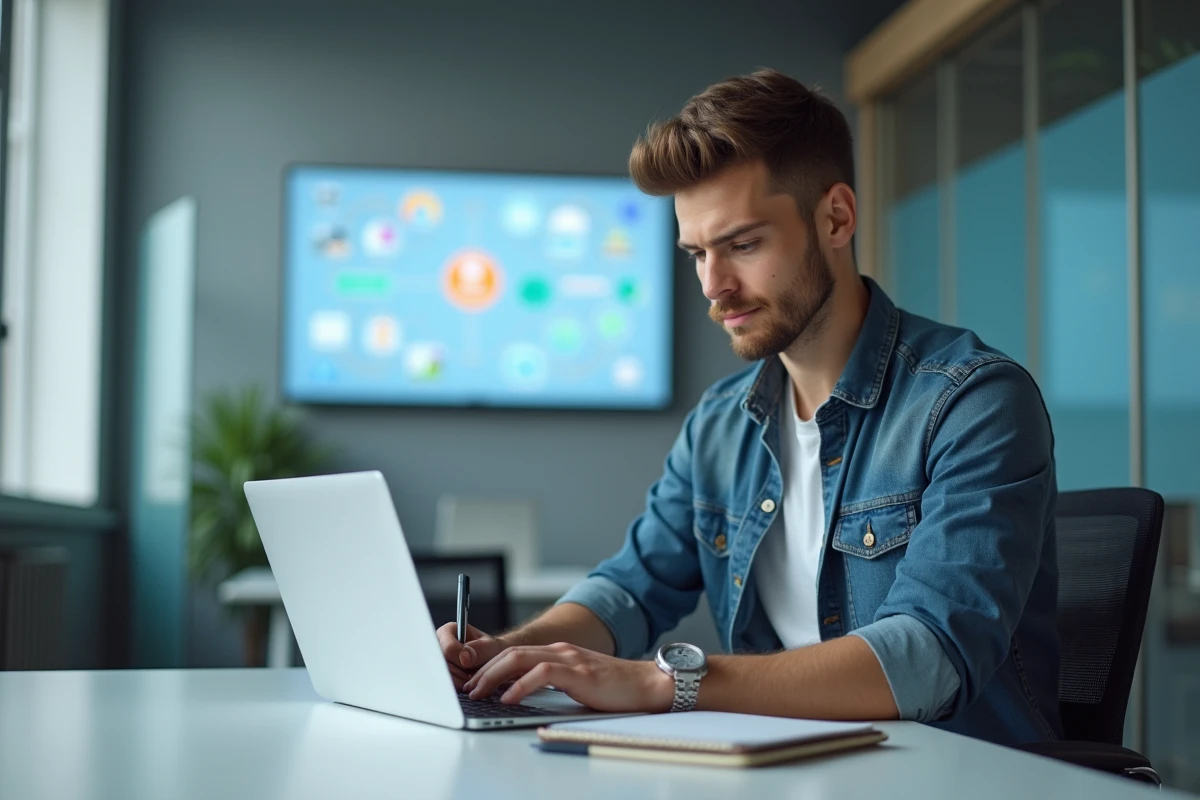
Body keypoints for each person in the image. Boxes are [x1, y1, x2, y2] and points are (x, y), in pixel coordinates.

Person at [437, 69, 1061, 746]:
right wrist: (508, 654)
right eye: (697, 254)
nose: (715, 287)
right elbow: (629, 589)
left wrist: (668, 683)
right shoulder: (719, 424)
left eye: (742, 245)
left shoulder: (972, 402)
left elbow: (928, 657)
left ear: (837, 218)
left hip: (957, 777)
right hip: (797, 769)